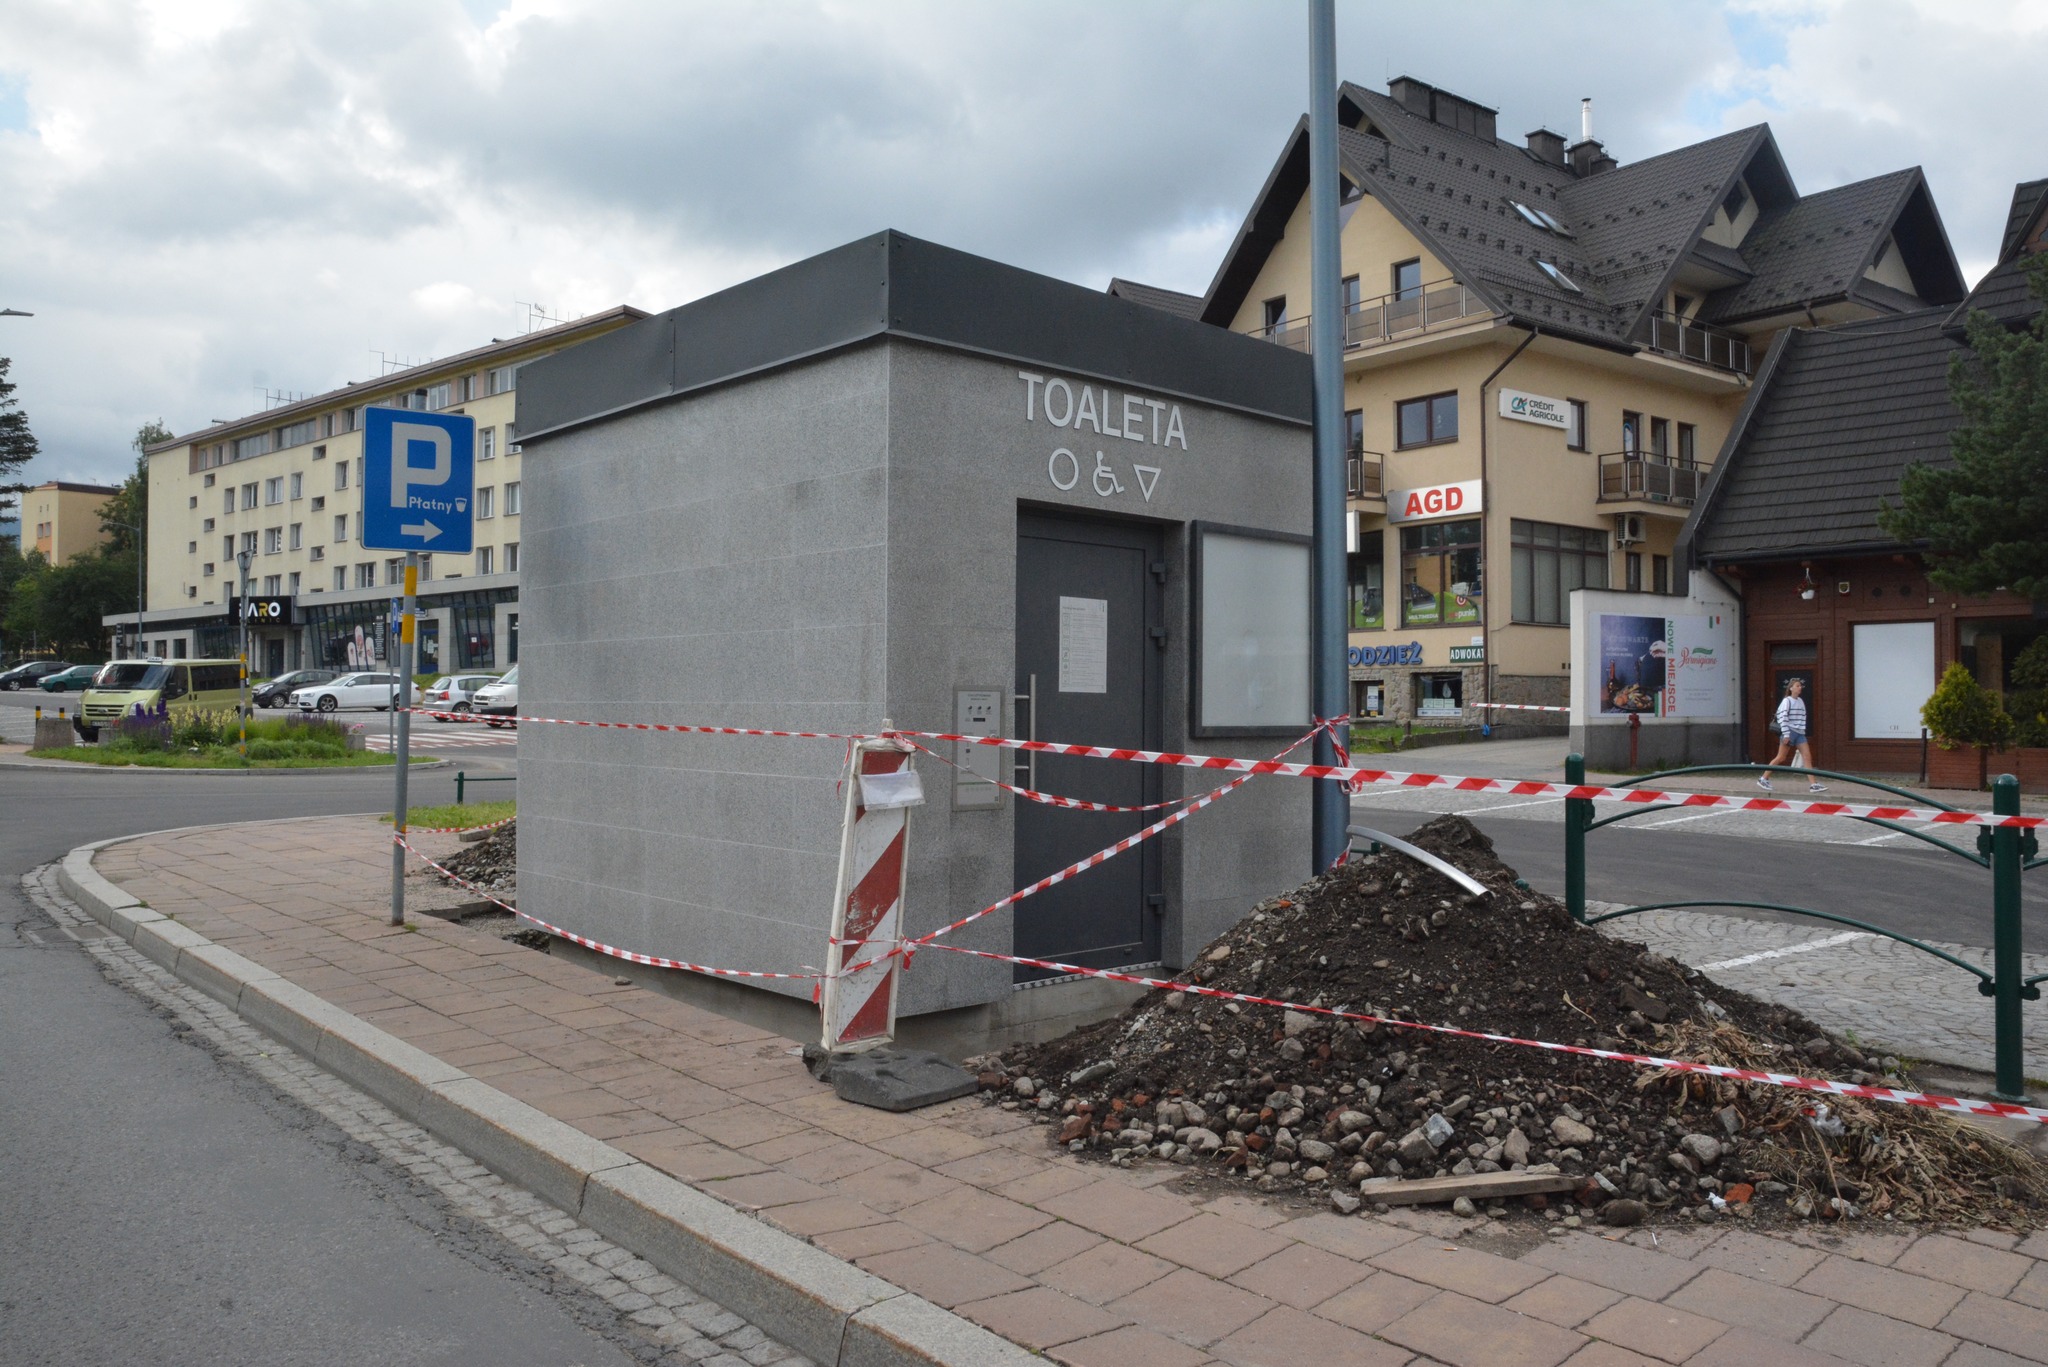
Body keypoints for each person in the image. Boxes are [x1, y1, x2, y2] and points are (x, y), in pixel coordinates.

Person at [1759, 678, 1824, 792]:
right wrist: (1786, 734)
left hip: (1799, 733)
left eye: (1800, 686)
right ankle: (1763, 778)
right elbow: (1783, 717)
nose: (1800, 688)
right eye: (1797, 686)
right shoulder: (1787, 701)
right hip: (1789, 732)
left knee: (1807, 757)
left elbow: (1803, 717)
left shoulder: (1800, 701)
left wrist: (1802, 730)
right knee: (1781, 757)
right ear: (1791, 688)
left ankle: (1813, 784)